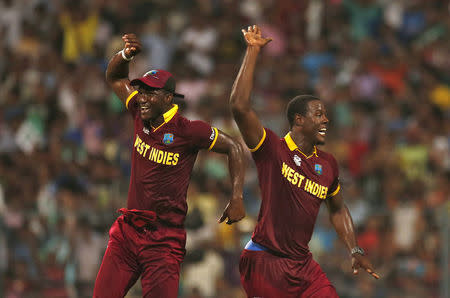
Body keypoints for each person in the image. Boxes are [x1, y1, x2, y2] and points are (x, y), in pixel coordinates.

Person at [230, 25, 379, 298]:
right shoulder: (272, 148)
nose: (326, 120)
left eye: (325, 114)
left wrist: (354, 249)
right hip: (265, 260)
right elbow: (240, 107)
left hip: (302, 265)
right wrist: (252, 51)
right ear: (299, 119)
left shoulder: (328, 164)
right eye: (319, 114)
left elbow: (337, 209)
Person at [93, 33, 246, 298]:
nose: (141, 97)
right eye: (140, 90)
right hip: (127, 232)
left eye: (150, 92)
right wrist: (126, 55)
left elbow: (233, 146)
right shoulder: (138, 112)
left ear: (168, 98)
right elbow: (115, 77)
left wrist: (237, 197)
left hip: (163, 241)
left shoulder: (188, 130)